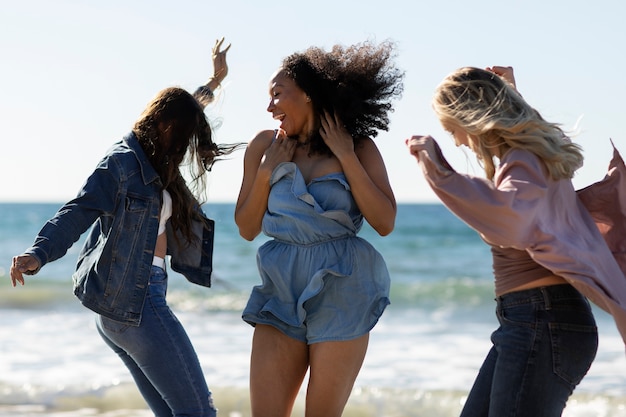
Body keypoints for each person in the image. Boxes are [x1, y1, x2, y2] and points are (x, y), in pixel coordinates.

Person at [9, 37, 240, 417]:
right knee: (199, 412)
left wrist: (215, 82)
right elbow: (78, 211)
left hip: (130, 306)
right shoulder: (121, 164)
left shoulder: (155, 155)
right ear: (163, 125)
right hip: (136, 304)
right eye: (181, 137)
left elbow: (189, 106)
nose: (183, 149)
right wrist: (39, 253)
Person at [406, 66, 626, 417]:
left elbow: (512, 221)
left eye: (452, 130)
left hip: (543, 319)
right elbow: (520, 159)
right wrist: (511, 91)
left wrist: (434, 166)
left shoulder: (523, 162)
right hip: (533, 320)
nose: (458, 141)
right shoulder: (527, 159)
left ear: (470, 118)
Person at [234, 40, 404, 417]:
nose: (270, 106)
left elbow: (385, 222)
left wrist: (345, 155)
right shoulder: (264, 146)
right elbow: (246, 228)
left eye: (278, 94)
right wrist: (266, 171)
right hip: (280, 284)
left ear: (309, 94)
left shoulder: (359, 147)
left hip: (344, 285)